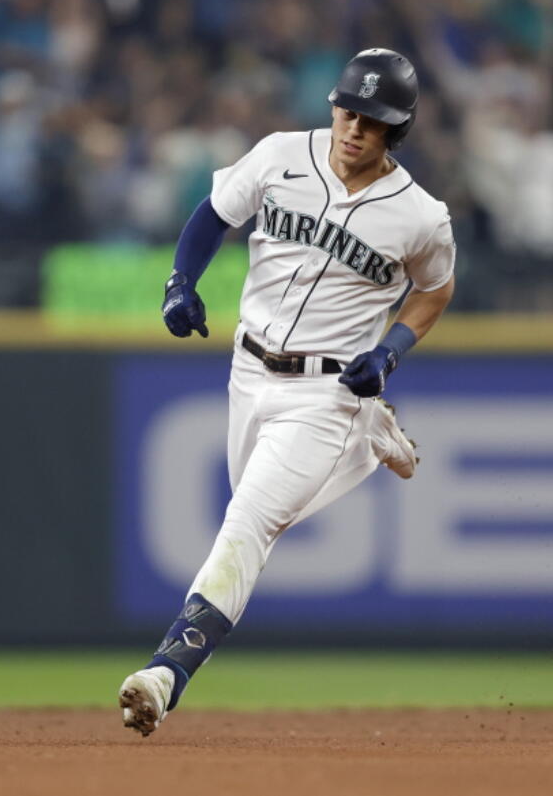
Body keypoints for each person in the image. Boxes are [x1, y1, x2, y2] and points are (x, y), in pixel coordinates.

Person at [118, 49, 456, 736]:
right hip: (248, 370)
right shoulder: (279, 154)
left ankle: (166, 671)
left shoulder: (420, 215)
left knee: (249, 521)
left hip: (327, 389)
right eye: (348, 110)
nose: (355, 127)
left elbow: (435, 288)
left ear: (399, 129)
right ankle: (371, 431)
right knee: (257, 511)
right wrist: (180, 283)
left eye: (374, 119)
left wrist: (389, 352)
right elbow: (213, 214)